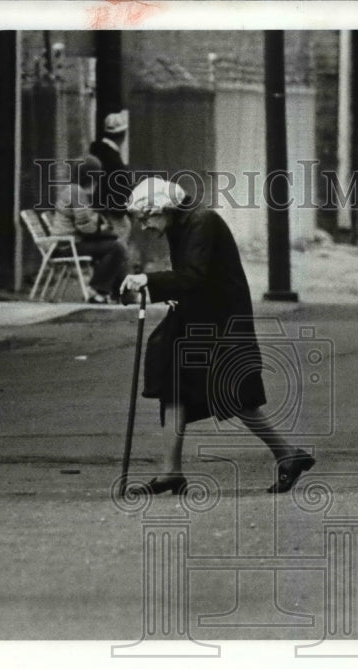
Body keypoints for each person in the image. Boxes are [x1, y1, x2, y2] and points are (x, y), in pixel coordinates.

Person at [119, 177, 315, 494]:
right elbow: (191, 276)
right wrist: (163, 288)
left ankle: (288, 454)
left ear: (163, 208)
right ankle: (171, 471)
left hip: (220, 317)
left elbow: (194, 274)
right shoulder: (182, 223)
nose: (144, 225)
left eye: (145, 217)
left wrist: (149, 281)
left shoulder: (201, 221)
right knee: (174, 384)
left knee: (234, 392)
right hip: (198, 313)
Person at [52, 154, 129, 303]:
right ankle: (98, 291)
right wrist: (102, 230)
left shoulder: (73, 190)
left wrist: (99, 227)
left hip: (68, 243)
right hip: (67, 246)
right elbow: (84, 226)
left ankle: (117, 293)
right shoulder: (76, 192)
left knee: (117, 246)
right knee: (117, 248)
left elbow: (85, 220)